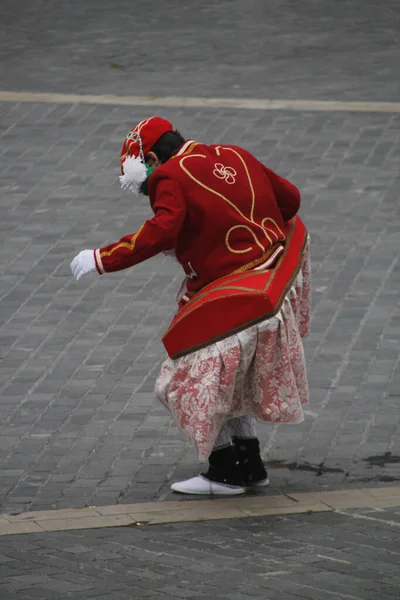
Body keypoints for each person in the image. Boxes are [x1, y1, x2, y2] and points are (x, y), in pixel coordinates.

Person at [71, 116, 311, 496]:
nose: (147, 193)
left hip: (230, 292)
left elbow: (162, 230)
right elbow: (291, 199)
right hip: (272, 284)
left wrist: (102, 258)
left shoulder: (169, 177)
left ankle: (225, 471)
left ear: (150, 158)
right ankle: (249, 464)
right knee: (232, 379)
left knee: (180, 382)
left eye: (143, 185)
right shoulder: (234, 152)